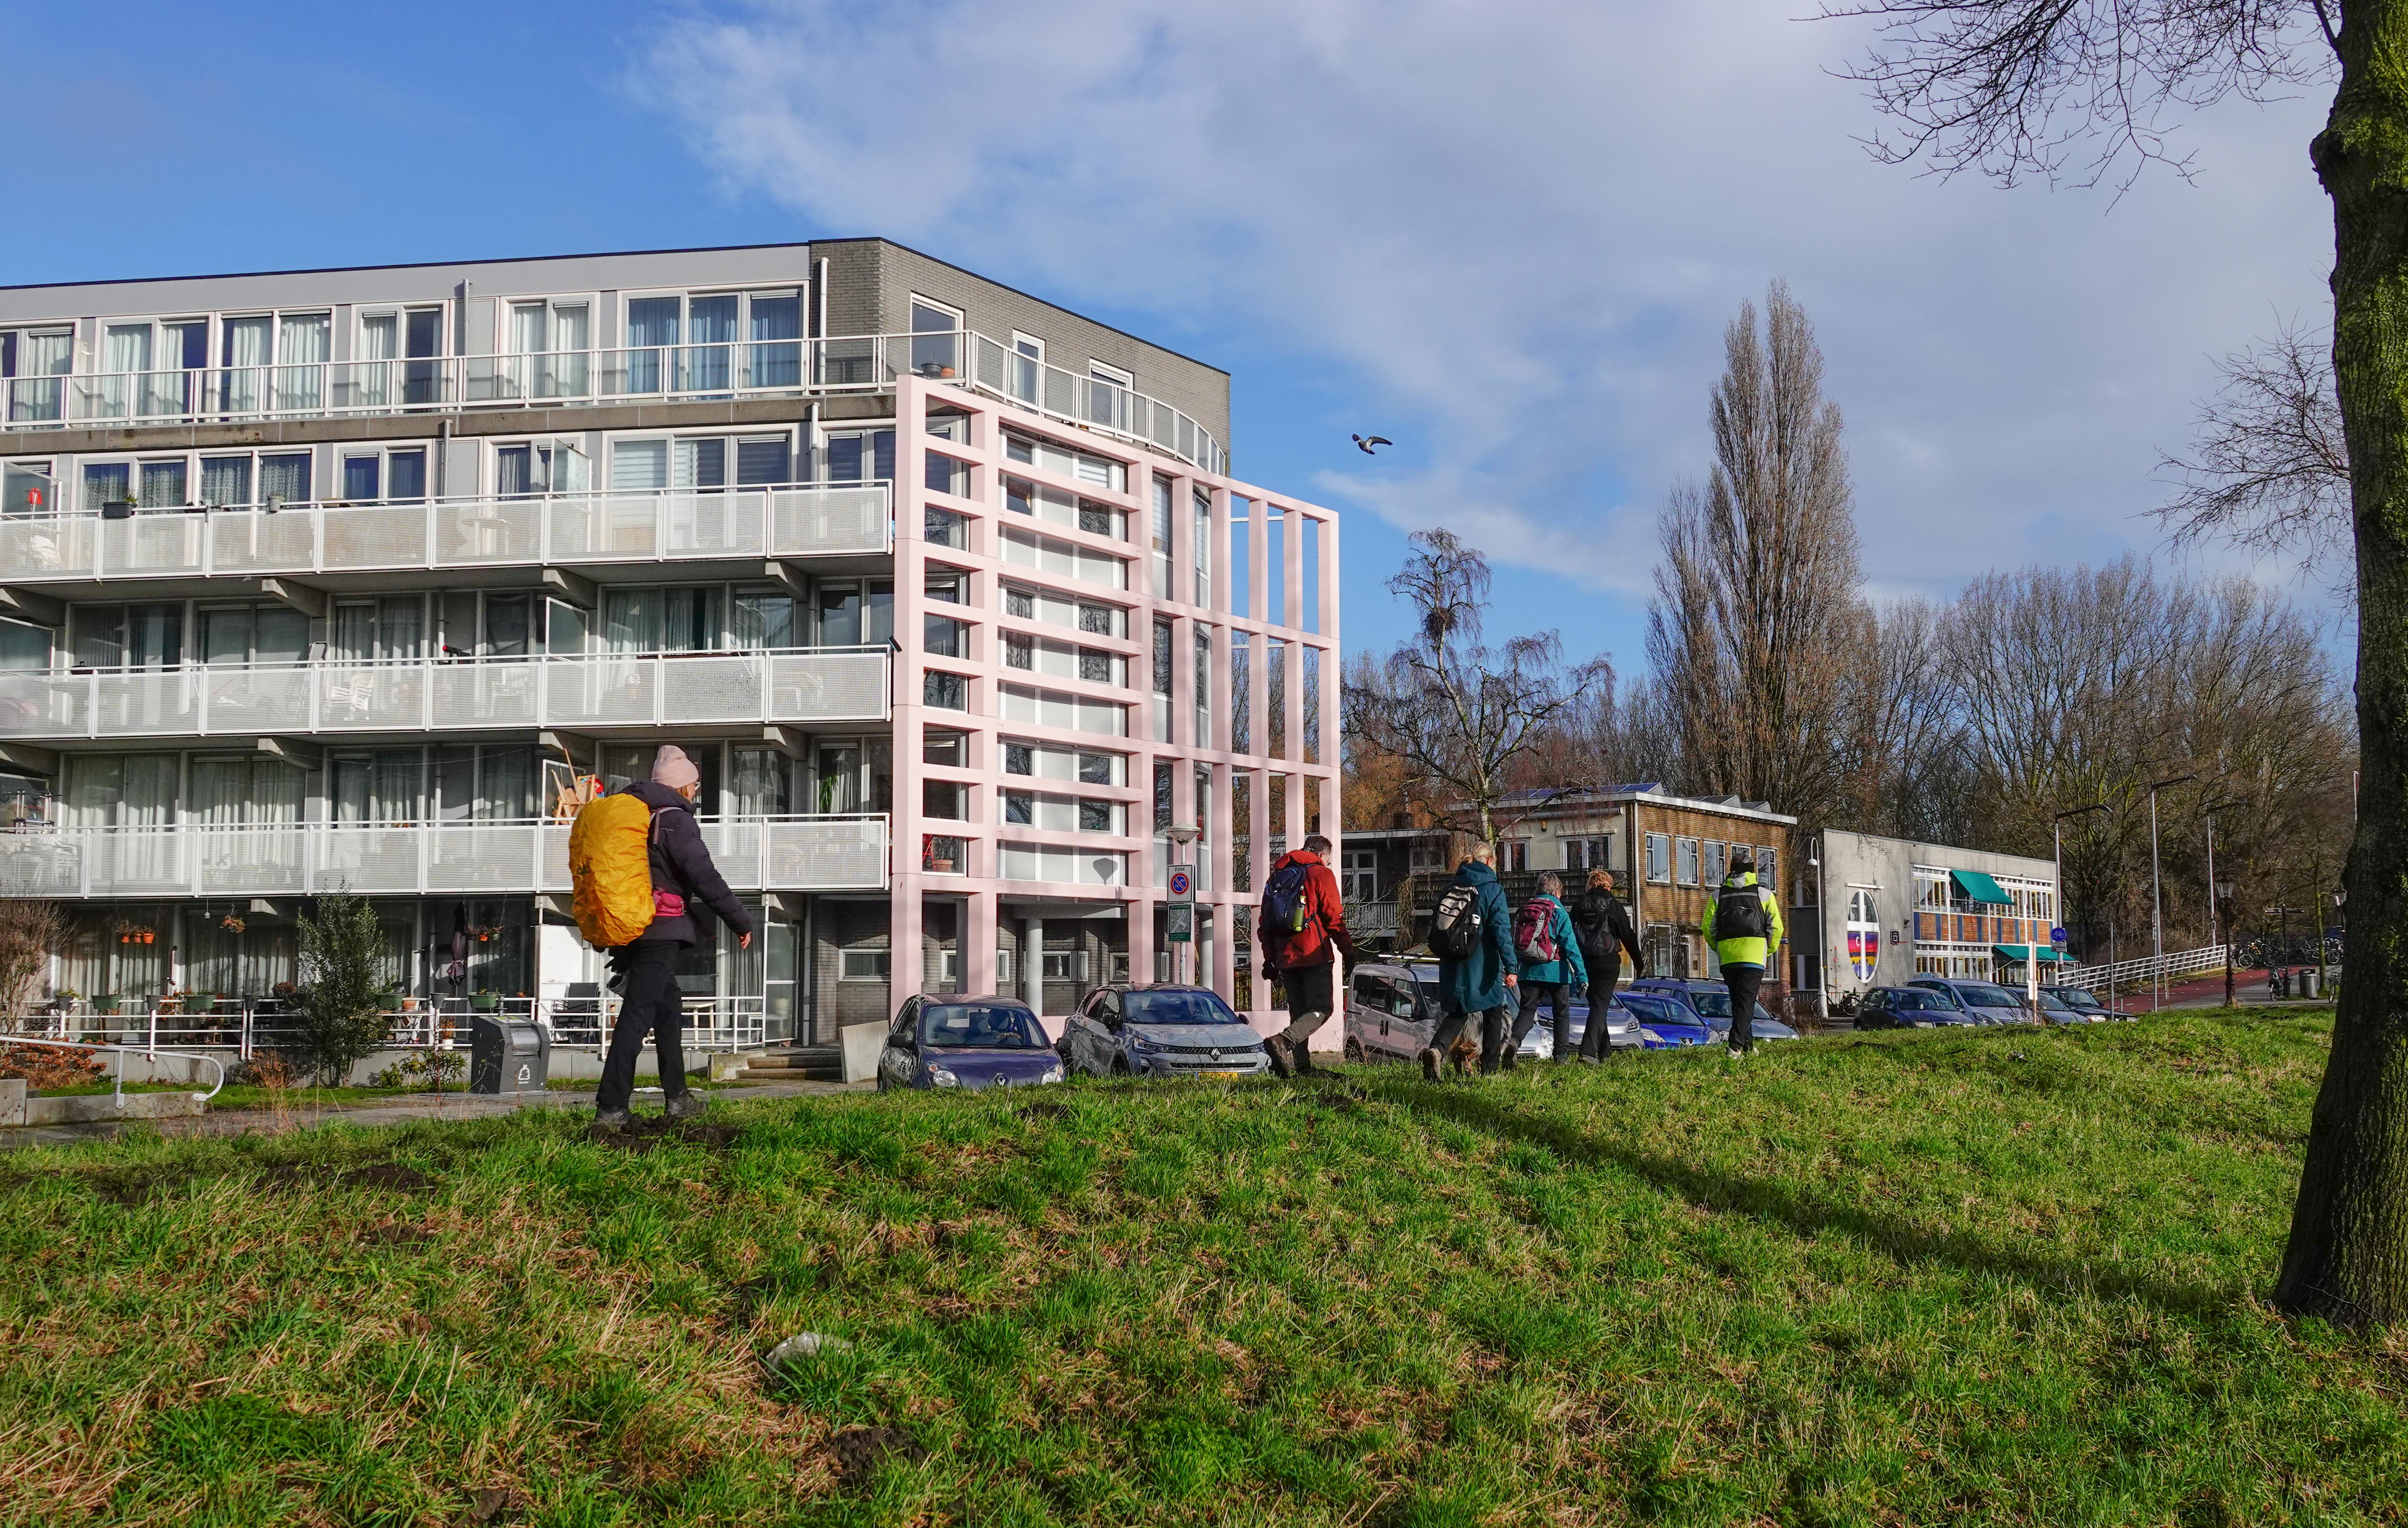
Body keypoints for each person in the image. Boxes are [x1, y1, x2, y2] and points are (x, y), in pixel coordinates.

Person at [595, 745, 755, 1129]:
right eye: (694, 785)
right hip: (660, 928)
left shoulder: (638, 813)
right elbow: (704, 875)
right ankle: (611, 1106)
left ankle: (678, 1098)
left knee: (668, 1010)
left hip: (631, 925)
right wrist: (740, 920)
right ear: (682, 786)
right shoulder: (674, 820)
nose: (696, 791)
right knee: (637, 1014)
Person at [1420, 839, 1519, 1080]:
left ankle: (1437, 1050)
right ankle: (1490, 1070)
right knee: (1493, 1011)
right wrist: (1511, 966)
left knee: (1458, 1013)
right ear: (1489, 861)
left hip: (1452, 961)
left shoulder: (1451, 886)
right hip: (1481, 963)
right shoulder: (1492, 889)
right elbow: (1501, 931)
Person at [1259, 832, 1357, 1078]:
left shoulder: (1278, 876)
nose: (1328, 864)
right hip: (1313, 954)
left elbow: (1265, 925)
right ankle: (1283, 1041)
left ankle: (1302, 1067)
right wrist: (1348, 951)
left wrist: (1270, 960)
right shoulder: (1320, 873)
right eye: (1329, 860)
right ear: (1323, 854)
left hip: (1285, 957)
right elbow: (1334, 919)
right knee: (1322, 1008)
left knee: (1299, 1011)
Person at [1700, 848, 1784, 1059]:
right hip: (1754, 956)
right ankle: (1735, 1047)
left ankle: (1748, 1046)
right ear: (1752, 871)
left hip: (1728, 957)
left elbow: (1708, 928)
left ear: (1731, 871)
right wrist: (1768, 949)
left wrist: (1719, 947)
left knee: (1739, 1002)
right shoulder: (1764, 894)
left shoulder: (1718, 895)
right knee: (1746, 1002)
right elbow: (1777, 928)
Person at [1509, 871, 1587, 1064]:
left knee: (1527, 1011)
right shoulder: (1559, 912)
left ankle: (1513, 1041)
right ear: (1557, 892)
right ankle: (1561, 1057)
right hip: (1556, 971)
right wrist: (1582, 976)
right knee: (1561, 1013)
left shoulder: (1527, 909)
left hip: (1529, 970)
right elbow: (1571, 946)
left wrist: (1512, 968)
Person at [1570, 868, 1644, 1062]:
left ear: (1590, 885)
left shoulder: (1579, 905)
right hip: (1608, 962)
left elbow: (1569, 934)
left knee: (1597, 1005)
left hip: (1585, 963)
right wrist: (1638, 962)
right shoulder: (1613, 905)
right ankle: (1588, 1053)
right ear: (1608, 885)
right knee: (1600, 1006)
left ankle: (1605, 1053)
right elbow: (1628, 936)